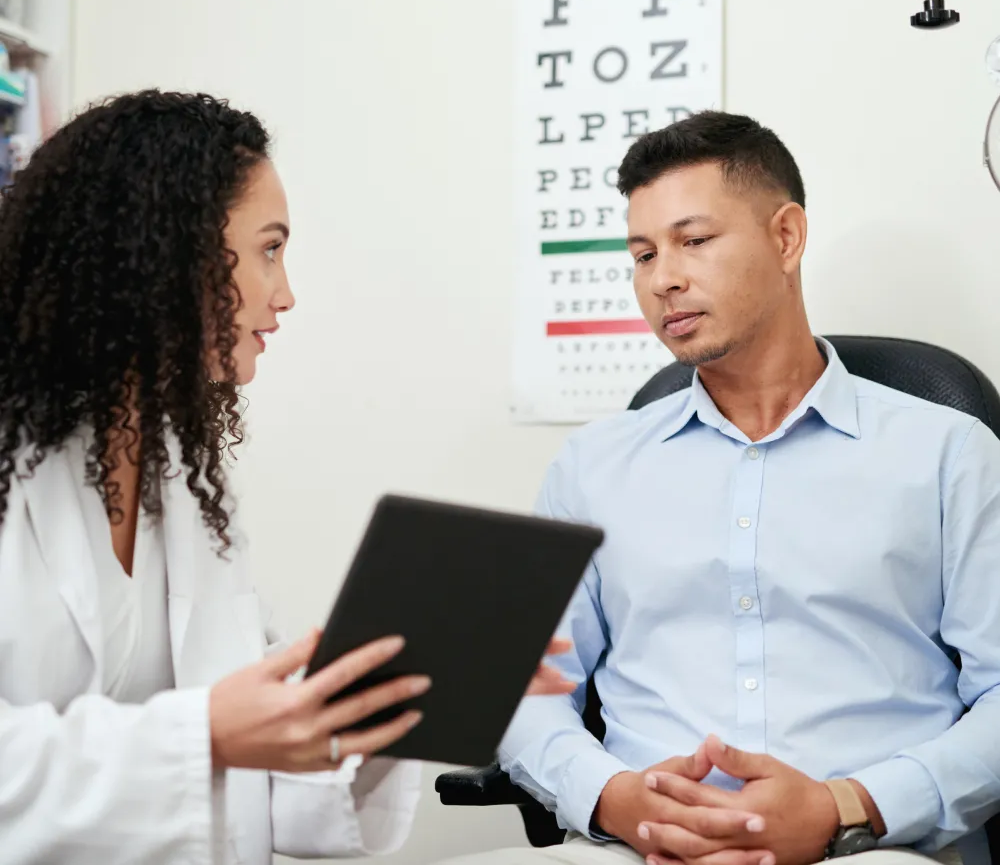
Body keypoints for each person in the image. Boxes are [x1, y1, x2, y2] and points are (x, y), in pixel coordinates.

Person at [0, 89, 573, 865]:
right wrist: (202, 735)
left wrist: (367, 711)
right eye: (269, 248)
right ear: (168, 251)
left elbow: (261, 785)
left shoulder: (185, 483)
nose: (286, 292)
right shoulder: (17, 466)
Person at [438, 112, 1000, 865]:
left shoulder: (948, 455)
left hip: (870, 850)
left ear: (786, 237)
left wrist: (846, 806)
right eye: (642, 253)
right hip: (636, 850)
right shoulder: (591, 466)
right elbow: (531, 689)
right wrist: (614, 799)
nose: (663, 277)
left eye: (693, 241)